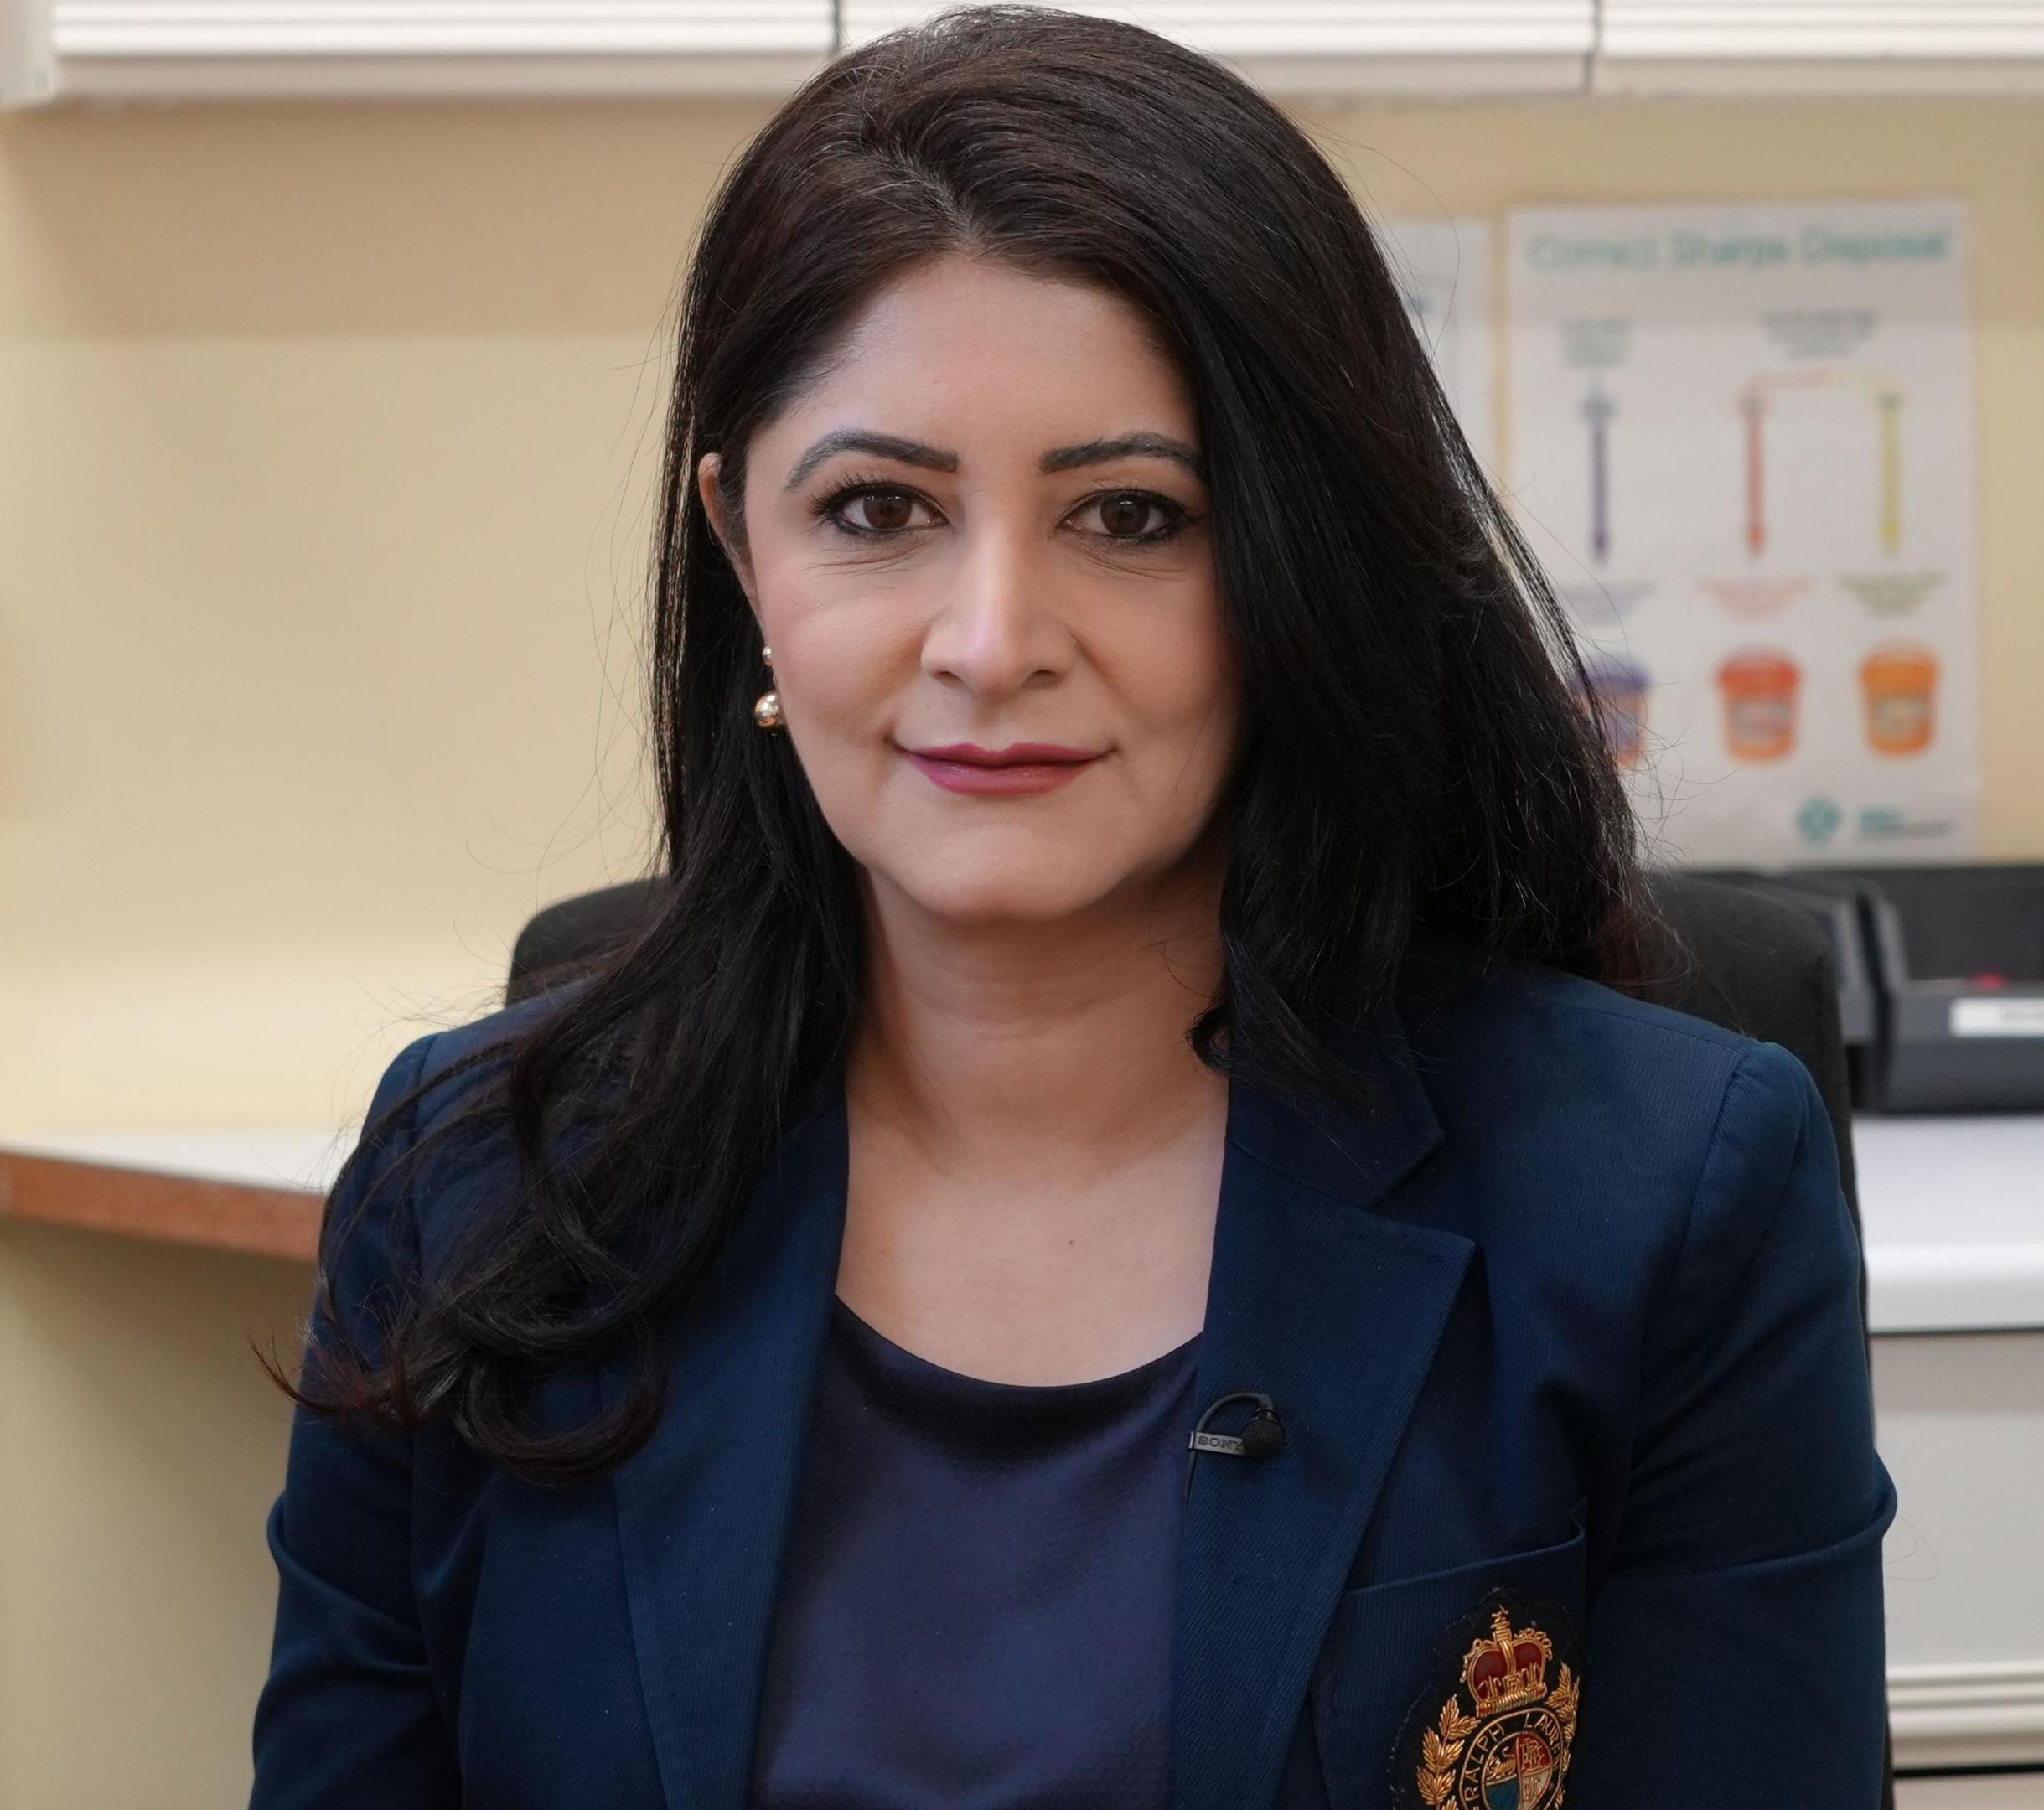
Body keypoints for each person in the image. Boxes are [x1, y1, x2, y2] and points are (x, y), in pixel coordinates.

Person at [253, 8, 1893, 1807]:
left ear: (1295, 564)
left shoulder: (1661, 1201)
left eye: (1130, 518)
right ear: (743, 552)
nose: (990, 641)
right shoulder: (472, 1184)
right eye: (879, 509)